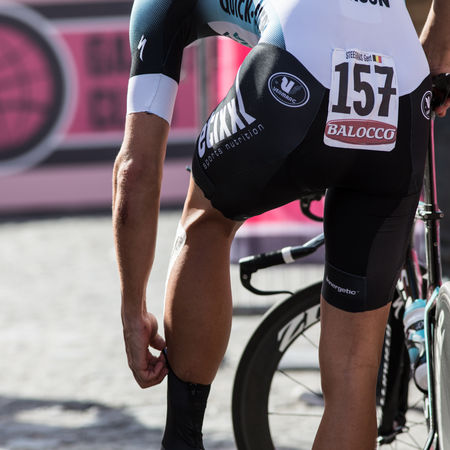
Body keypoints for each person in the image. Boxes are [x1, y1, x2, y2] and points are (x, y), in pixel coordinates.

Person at [113, 0, 450, 449]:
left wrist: (132, 308)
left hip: (299, 69)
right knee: (353, 376)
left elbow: (135, 169)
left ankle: (181, 440)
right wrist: (439, 44)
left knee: (207, 220)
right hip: (403, 81)